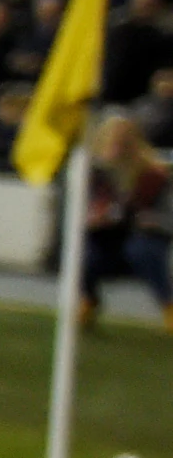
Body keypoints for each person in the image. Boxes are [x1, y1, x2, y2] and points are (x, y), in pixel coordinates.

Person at [80, 107, 173, 329]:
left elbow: (169, 218)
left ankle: (168, 305)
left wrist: (152, 220)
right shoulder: (92, 173)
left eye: (123, 140)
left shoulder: (154, 175)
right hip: (104, 239)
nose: (117, 146)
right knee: (84, 252)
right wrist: (92, 218)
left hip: (143, 238)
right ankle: (87, 299)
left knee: (141, 249)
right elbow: (77, 216)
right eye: (112, 140)